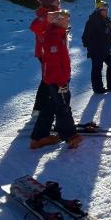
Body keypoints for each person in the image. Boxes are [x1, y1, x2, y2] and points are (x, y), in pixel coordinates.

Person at [31, 9, 83, 150]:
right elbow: (53, 63)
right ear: (56, 20)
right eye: (64, 18)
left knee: (51, 106)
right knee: (63, 106)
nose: (67, 21)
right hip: (58, 79)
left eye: (68, 18)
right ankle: (70, 136)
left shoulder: (59, 33)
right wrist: (61, 80)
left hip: (56, 77)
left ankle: (39, 138)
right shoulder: (53, 36)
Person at [29, 0, 60, 117]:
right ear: (50, 3)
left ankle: (48, 107)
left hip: (54, 51)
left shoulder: (55, 14)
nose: (59, 3)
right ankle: (39, 109)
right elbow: (35, 27)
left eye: (59, 1)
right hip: (45, 52)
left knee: (52, 78)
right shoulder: (46, 14)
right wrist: (46, 36)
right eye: (57, 2)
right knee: (48, 79)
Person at [81, 0, 111, 94]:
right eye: (104, 9)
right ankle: (98, 89)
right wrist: (93, 48)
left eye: (107, 9)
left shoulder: (106, 19)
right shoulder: (93, 21)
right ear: (98, 10)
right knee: (97, 68)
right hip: (97, 51)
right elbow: (85, 37)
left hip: (108, 49)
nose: (106, 11)